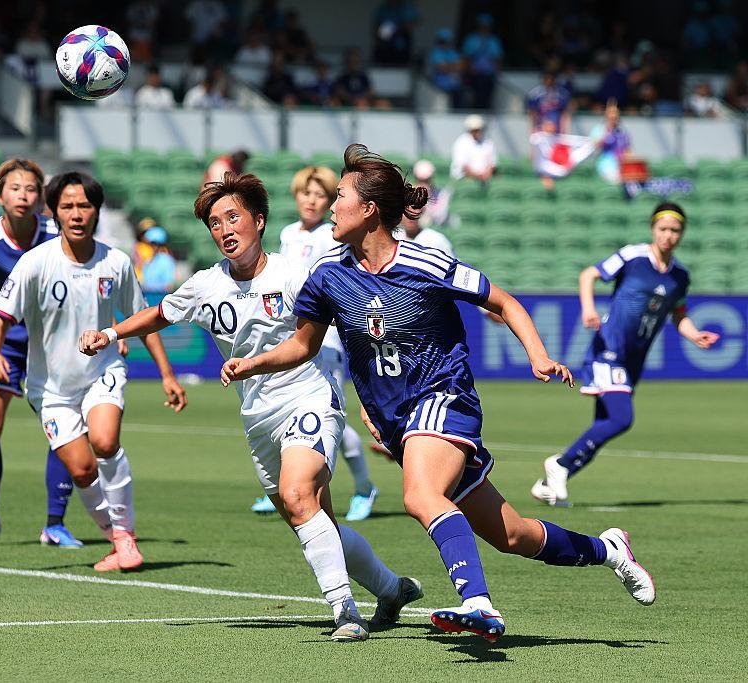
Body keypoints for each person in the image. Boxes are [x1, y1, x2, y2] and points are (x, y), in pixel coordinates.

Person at [222, 144, 657, 642]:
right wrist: (254, 362)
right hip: (401, 422)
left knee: (420, 494)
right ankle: (609, 550)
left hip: (445, 397)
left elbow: (503, 300)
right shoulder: (329, 275)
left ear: (368, 210)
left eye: (340, 196)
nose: (332, 206)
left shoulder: (426, 262)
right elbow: (303, 344)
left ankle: (479, 604)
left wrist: (537, 355)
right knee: (511, 534)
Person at [79, 172, 423, 641]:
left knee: (298, 494)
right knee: (313, 517)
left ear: (258, 221)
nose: (223, 230)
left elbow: (344, 334)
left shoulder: (296, 276)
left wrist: (370, 402)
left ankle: (345, 613)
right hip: (258, 416)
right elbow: (161, 314)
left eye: (233, 217)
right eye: (215, 224)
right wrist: (111, 333)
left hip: (310, 394)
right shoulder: (205, 285)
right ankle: (391, 589)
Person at [0, 171, 188, 571]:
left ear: (96, 211)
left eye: (84, 205)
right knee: (82, 469)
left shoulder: (116, 262)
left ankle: (126, 536)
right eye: (67, 206)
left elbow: (142, 319)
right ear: (54, 211)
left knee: (104, 441)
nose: (76, 213)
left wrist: (167, 374)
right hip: (50, 389)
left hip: (101, 372)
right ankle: (117, 538)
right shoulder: (34, 263)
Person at [532, 203, 719, 508]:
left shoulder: (680, 276)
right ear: (652, 229)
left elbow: (678, 313)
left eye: (675, 230)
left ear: (682, 234)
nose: (668, 236)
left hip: (634, 360)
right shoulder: (633, 257)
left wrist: (694, 333)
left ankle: (547, 485)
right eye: (663, 229)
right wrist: (589, 308)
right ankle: (560, 465)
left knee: (604, 424)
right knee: (621, 418)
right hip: (609, 350)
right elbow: (588, 275)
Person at [0, 160, 81, 548]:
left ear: (41, 196)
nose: (23, 195)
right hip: (4, 343)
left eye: (31, 189)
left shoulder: (57, 236)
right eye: (15, 188)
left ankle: (55, 524)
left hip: (53, 343)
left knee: (63, 430)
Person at [268, 165, 377, 521]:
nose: (312, 201)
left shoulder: (334, 237)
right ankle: (290, 481)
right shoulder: (287, 233)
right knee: (288, 408)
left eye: (320, 195)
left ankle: (363, 487)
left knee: (330, 414)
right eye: (306, 193)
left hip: (326, 335)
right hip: (291, 333)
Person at [461, 14, 503, 110]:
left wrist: (497, 72)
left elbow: (498, 58)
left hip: (489, 74)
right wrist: (468, 70)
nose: (484, 29)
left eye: (486, 26)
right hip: (474, 74)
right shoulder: (471, 39)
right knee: (474, 98)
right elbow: (466, 57)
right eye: (482, 26)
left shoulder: (494, 40)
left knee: (487, 98)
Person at [589, 100, 631, 185]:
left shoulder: (622, 132)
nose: (614, 117)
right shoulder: (599, 129)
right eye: (611, 114)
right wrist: (607, 131)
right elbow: (595, 146)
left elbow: (627, 150)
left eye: (616, 115)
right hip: (605, 165)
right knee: (617, 180)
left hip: (621, 166)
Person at [450, 114, 496, 183]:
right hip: (463, 178)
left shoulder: (488, 143)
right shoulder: (461, 142)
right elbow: (463, 167)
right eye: (476, 130)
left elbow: (492, 164)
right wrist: (477, 176)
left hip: (485, 179)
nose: (479, 132)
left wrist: (485, 176)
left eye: (480, 129)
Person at [428, 28, 464, 109]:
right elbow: (442, 68)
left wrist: (448, 66)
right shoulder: (435, 52)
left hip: (455, 85)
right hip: (440, 86)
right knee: (443, 106)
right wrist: (453, 66)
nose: (446, 43)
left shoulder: (453, 52)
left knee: (459, 102)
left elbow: (460, 66)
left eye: (447, 41)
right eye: (443, 41)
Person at [528, 69, 571, 134]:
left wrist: (564, 129)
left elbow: (564, 113)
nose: (549, 81)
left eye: (552, 79)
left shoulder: (562, 93)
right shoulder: (535, 94)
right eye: (547, 79)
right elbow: (533, 113)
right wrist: (532, 129)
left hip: (557, 129)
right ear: (543, 80)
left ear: (555, 80)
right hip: (540, 128)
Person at [140, 226, 178, 293]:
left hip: (160, 299)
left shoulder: (167, 260)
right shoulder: (148, 261)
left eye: (154, 244)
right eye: (150, 244)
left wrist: (149, 287)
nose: (152, 246)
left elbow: (169, 286)